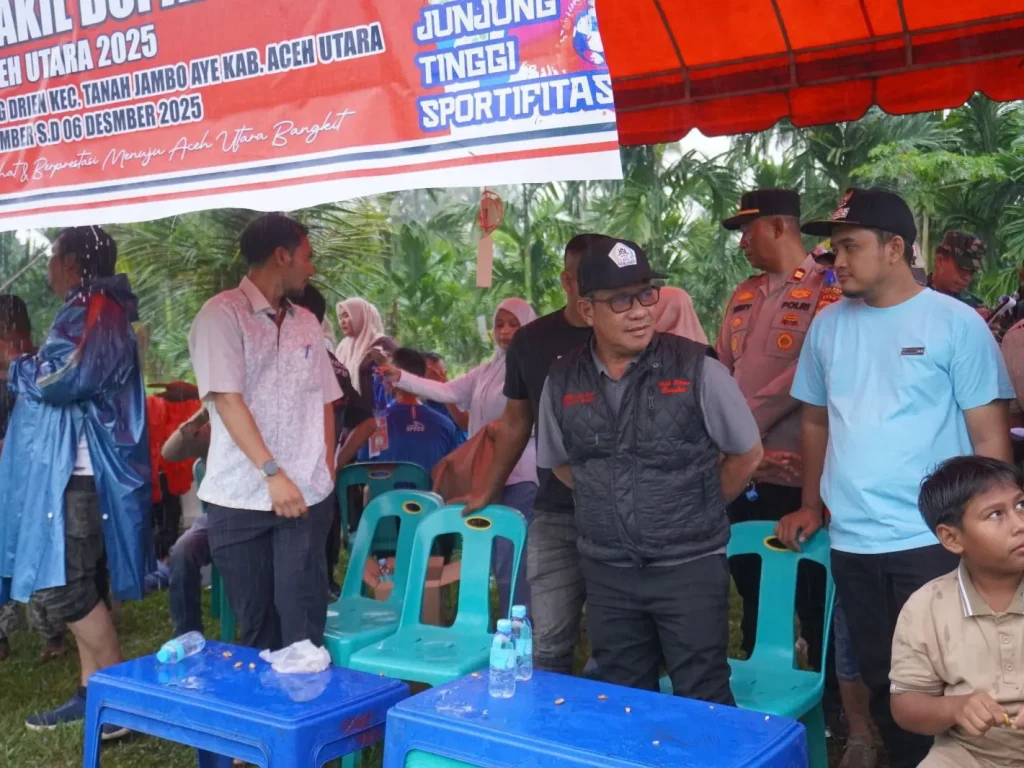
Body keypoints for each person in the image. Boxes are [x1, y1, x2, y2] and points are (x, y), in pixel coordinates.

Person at [780, 188, 1015, 768]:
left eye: (849, 246)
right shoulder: (829, 327)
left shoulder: (955, 324)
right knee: (890, 683)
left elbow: (989, 437)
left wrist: (997, 530)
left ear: (894, 248)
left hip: (935, 539)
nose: (837, 260)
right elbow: (814, 420)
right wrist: (811, 503)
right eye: (833, 248)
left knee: (962, 676)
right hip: (854, 540)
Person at [537, 235, 763, 702]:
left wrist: (692, 505)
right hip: (608, 571)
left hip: (688, 567)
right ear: (586, 311)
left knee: (702, 696)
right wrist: (611, 499)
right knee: (623, 698)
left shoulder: (697, 369)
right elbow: (560, 462)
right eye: (621, 300)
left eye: (646, 295)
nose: (640, 310)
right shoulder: (562, 379)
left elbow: (747, 454)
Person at [0, 227, 151, 736]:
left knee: (63, 588)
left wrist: (13, 364)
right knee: (72, 581)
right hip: (69, 473)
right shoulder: (89, 306)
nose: (46, 267)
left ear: (70, 262)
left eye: (52, 257)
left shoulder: (99, 309)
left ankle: (117, 698)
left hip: (83, 475)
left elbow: (61, 377)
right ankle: (94, 693)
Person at [188, 213, 341, 650]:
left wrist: (324, 468)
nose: (311, 269)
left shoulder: (307, 322)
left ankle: (305, 712)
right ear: (282, 255)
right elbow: (227, 399)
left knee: (303, 628)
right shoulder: (222, 314)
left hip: (306, 498)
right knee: (258, 629)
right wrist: (273, 474)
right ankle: (269, 716)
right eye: (307, 257)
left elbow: (325, 400)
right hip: (240, 498)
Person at [460, 233, 600, 675]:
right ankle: (544, 723)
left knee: (615, 639)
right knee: (547, 634)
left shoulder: (625, 335)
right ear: (567, 280)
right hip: (555, 509)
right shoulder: (532, 341)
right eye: (589, 279)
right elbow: (516, 422)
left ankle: (604, 729)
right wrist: (490, 487)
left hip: (620, 511)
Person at [717, 189, 837, 674]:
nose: (743, 241)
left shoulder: (828, 285)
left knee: (809, 586)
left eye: (749, 229)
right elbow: (723, 368)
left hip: (799, 473)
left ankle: (821, 694)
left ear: (780, 227)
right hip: (746, 472)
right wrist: (736, 443)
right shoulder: (744, 293)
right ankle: (756, 673)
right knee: (749, 578)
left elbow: (809, 374)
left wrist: (742, 429)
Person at [380, 298, 539, 615]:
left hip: (521, 476)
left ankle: (525, 636)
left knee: (512, 560)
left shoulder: (535, 367)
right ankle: (500, 629)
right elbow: (448, 392)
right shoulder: (487, 370)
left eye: (514, 324)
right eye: (499, 324)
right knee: (493, 556)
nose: (505, 332)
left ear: (529, 326)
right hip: (486, 478)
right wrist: (400, 377)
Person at [891, 456, 1024, 768]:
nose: (1019, 524)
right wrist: (955, 709)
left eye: (1020, 505)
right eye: (995, 514)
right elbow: (905, 705)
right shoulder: (926, 607)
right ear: (951, 538)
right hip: (969, 755)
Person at [0, 295, 70, 663]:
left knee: (41, 553)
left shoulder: (40, 372)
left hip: (36, 482)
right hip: (10, 483)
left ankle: (53, 632)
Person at [291, 284, 370, 599]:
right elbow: (367, 422)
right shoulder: (335, 363)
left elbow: (368, 423)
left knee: (299, 580)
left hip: (297, 486)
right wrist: (335, 463)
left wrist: (333, 461)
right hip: (319, 484)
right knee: (312, 577)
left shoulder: (310, 363)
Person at [338, 347, 463, 477]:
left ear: (390, 378)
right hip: (431, 497)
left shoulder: (375, 426)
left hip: (385, 496)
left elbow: (365, 468)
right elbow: (451, 472)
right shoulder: (446, 425)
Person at [163, 407, 211, 637]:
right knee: (182, 551)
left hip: (258, 512)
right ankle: (187, 635)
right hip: (218, 515)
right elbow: (169, 452)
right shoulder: (212, 432)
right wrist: (202, 414)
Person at [926, 231, 987, 311]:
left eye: (972, 271)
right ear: (940, 260)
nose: (967, 278)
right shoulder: (911, 296)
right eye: (962, 268)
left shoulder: (974, 306)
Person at [423, 351, 470, 433]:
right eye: (433, 375)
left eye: (443, 373)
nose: (439, 378)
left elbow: (467, 423)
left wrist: (445, 390)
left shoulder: (457, 396)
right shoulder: (413, 403)